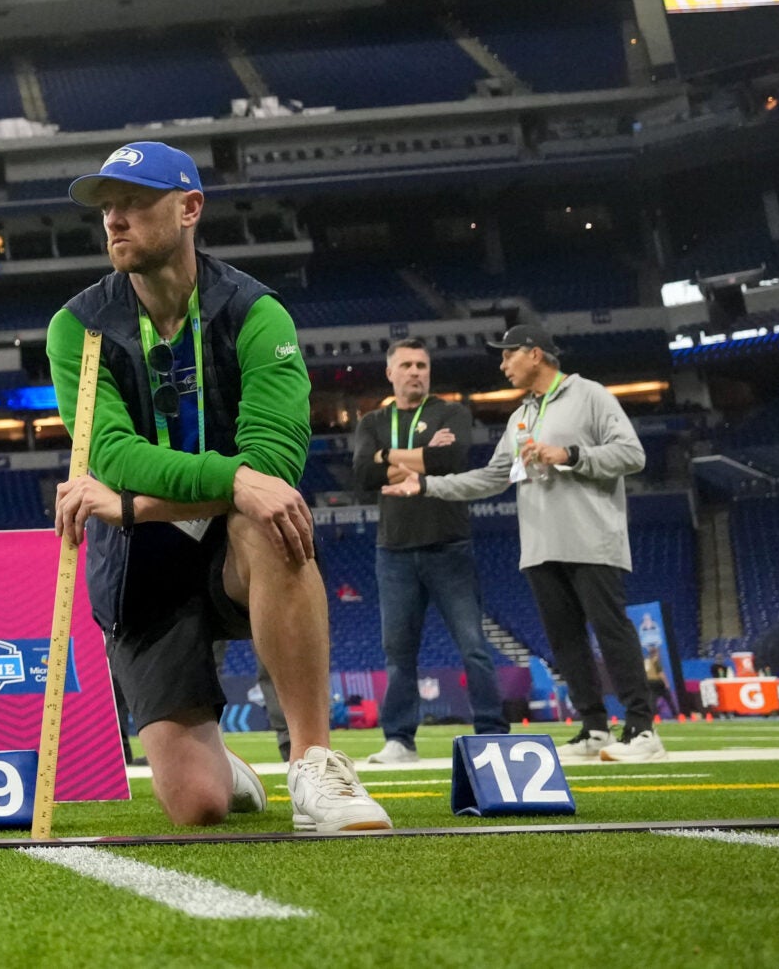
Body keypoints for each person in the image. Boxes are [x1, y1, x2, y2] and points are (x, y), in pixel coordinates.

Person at [45, 142, 391, 833]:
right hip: (138, 569)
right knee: (199, 806)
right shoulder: (77, 327)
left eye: (135, 202)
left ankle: (314, 762)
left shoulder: (258, 314)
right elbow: (112, 454)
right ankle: (222, 762)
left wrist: (128, 505)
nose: (114, 220)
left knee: (269, 517)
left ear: (190, 207)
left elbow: (275, 464)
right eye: (107, 207)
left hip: (230, 549)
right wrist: (227, 479)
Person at [387, 324, 659, 761]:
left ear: (534, 355)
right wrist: (427, 486)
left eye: (508, 354)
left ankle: (642, 731)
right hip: (539, 546)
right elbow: (493, 478)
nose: (502, 364)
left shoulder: (590, 395)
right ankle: (593, 728)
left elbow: (632, 454)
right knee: (565, 640)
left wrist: (570, 454)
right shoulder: (520, 417)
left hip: (591, 539)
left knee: (611, 631)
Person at [350, 339, 505, 766]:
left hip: (449, 546)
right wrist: (421, 456)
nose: (415, 371)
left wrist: (390, 456)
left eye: (422, 365)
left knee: (473, 645)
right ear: (390, 373)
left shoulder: (451, 412)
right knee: (398, 653)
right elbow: (364, 472)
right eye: (406, 365)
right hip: (393, 552)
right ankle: (399, 740)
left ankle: (493, 733)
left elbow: (452, 458)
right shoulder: (372, 421)